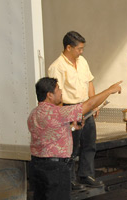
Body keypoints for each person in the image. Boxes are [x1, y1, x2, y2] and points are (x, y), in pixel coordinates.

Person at [28, 77, 122, 200]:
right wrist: (109, 90)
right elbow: (89, 104)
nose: (61, 91)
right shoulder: (58, 113)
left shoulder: (34, 113)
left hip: (37, 166)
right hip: (56, 170)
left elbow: (49, 134)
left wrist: (71, 127)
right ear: (49, 95)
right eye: (58, 89)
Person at [47, 31, 103, 189]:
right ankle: (69, 179)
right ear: (68, 47)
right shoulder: (57, 67)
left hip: (86, 108)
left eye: (82, 48)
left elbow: (89, 82)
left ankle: (86, 175)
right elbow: (57, 96)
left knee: (89, 144)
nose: (81, 51)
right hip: (69, 109)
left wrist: (94, 104)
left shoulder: (83, 61)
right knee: (70, 148)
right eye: (79, 49)